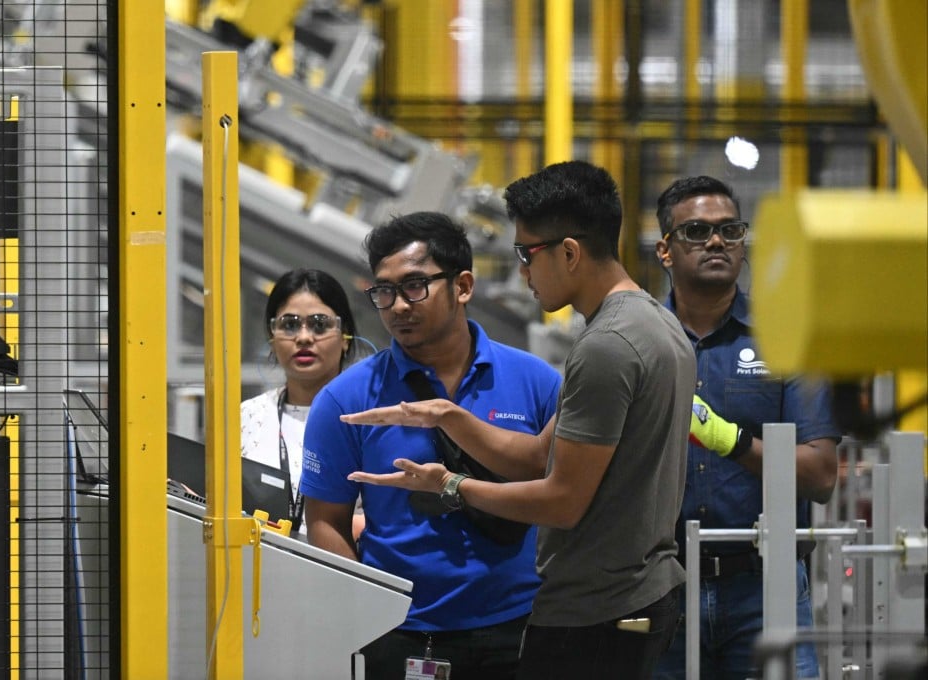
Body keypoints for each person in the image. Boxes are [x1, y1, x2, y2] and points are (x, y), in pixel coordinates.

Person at [341, 162, 697, 680]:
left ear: (569, 252)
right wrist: (450, 417)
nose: (524, 273)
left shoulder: (605, 348)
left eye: (527, 255)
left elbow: (561, 501)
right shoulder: (655, 323)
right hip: (632, 597)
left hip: (596, 611)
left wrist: (451, 486)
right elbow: (538, 455)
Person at [299, 211, 562, 679]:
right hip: (403, 634)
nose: (398, 306)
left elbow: (565, 494)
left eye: (415, 286)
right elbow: (325, 521)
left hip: (522, 626)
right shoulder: (346, 400)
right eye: (384, 291)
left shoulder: (536, 382)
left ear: (463, 286)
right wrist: (367, 616)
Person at [651, 175, 840, 679]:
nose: (717, 241)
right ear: (664, 250)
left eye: (730, 230)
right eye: (697, 231)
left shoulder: (787, 339)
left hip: (764, 589)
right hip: (661, 588)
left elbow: (821, 475)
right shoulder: (637, 341)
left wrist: (730, 441)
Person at [239, 268, 361, 534]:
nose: (304, 337)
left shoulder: (369, 419)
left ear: (345, 336)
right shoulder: (246, 417)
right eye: (290, 325)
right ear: (272, 338)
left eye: (319, 324)